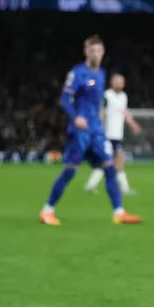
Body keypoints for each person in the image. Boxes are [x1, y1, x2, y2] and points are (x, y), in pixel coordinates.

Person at [39, 36, 142, 226]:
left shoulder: (101, 74)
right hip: (80, 131)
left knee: (110, 168)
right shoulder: (77, 73)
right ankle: (47, 210)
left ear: (103, 53)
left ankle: (118, 213)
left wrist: (99, 118)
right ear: (86, 51)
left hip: (96, 131)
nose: (96, 54)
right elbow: (64, 99)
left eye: (99, 51)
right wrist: (75, 117)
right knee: (70, 171)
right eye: (92, 50)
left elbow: (96, 103)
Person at [85, 74, 141, 194]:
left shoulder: (123, 96)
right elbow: (101, 112)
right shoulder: (107, 96)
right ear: (112, 82)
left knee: (108, 162)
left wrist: (132, 124)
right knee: (115, 160)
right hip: (107, 134)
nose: (120, 84)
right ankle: (124, 188)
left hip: (117, 135)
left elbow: (125, 112)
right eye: (118, 81)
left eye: (122, 82)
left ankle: (91, 185)